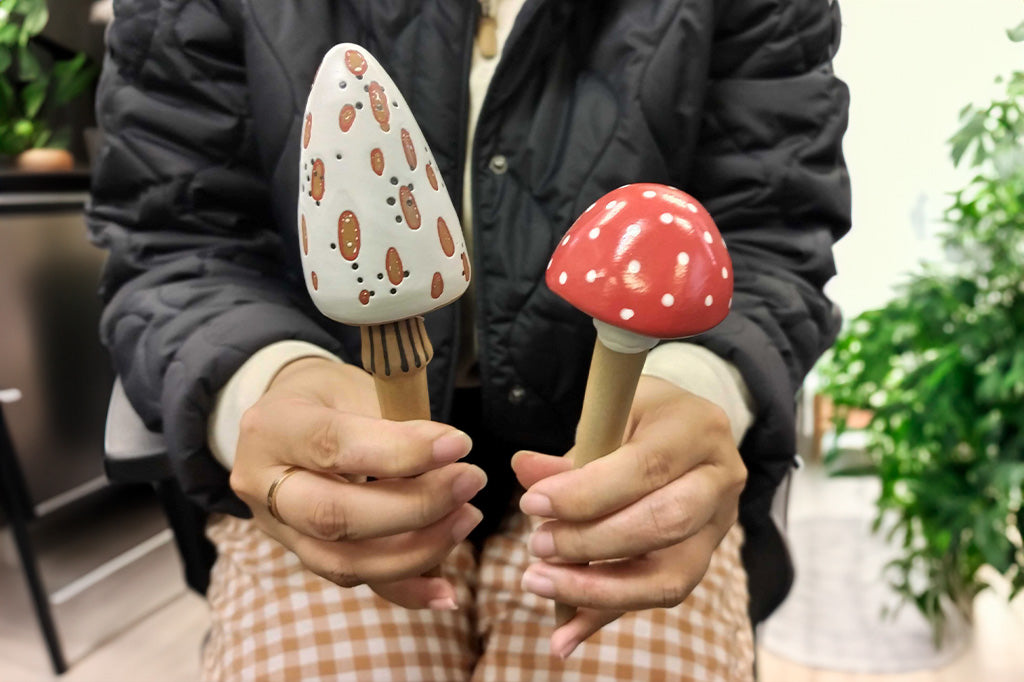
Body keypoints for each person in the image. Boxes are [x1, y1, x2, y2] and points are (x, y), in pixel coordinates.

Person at [87, 0, 850, 679]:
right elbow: (174, 235)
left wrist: (704, 384)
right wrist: (263, 381)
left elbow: (772, 229)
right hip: (341, 462)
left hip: (617, 457)